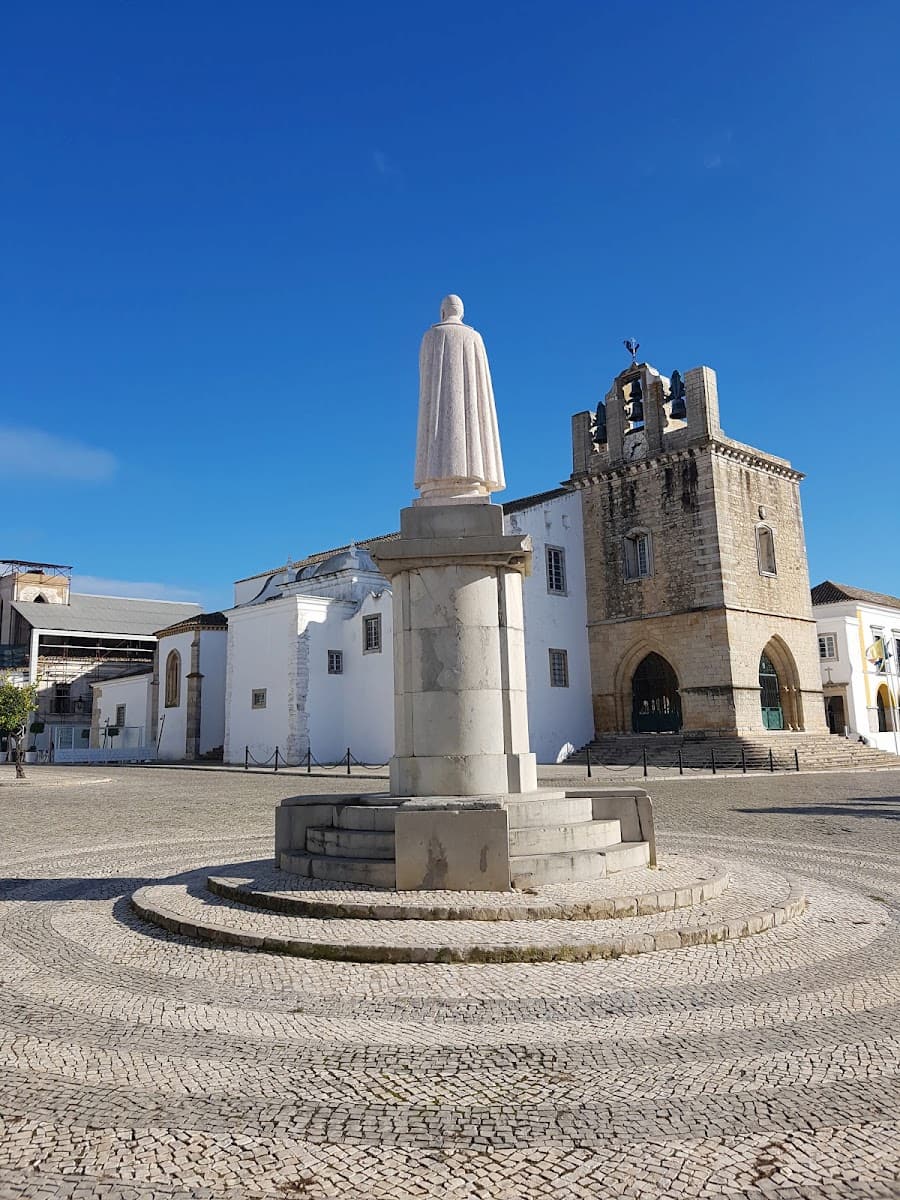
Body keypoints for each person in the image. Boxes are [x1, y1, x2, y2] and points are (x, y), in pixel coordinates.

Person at [415, 295, 505, 503]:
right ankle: (472, 478)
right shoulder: (475, 338)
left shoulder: (430, 336)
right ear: (461, 312)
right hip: (469, 430)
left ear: (443, 312)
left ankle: (437, 480)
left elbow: (424, 375)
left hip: (436, 434)